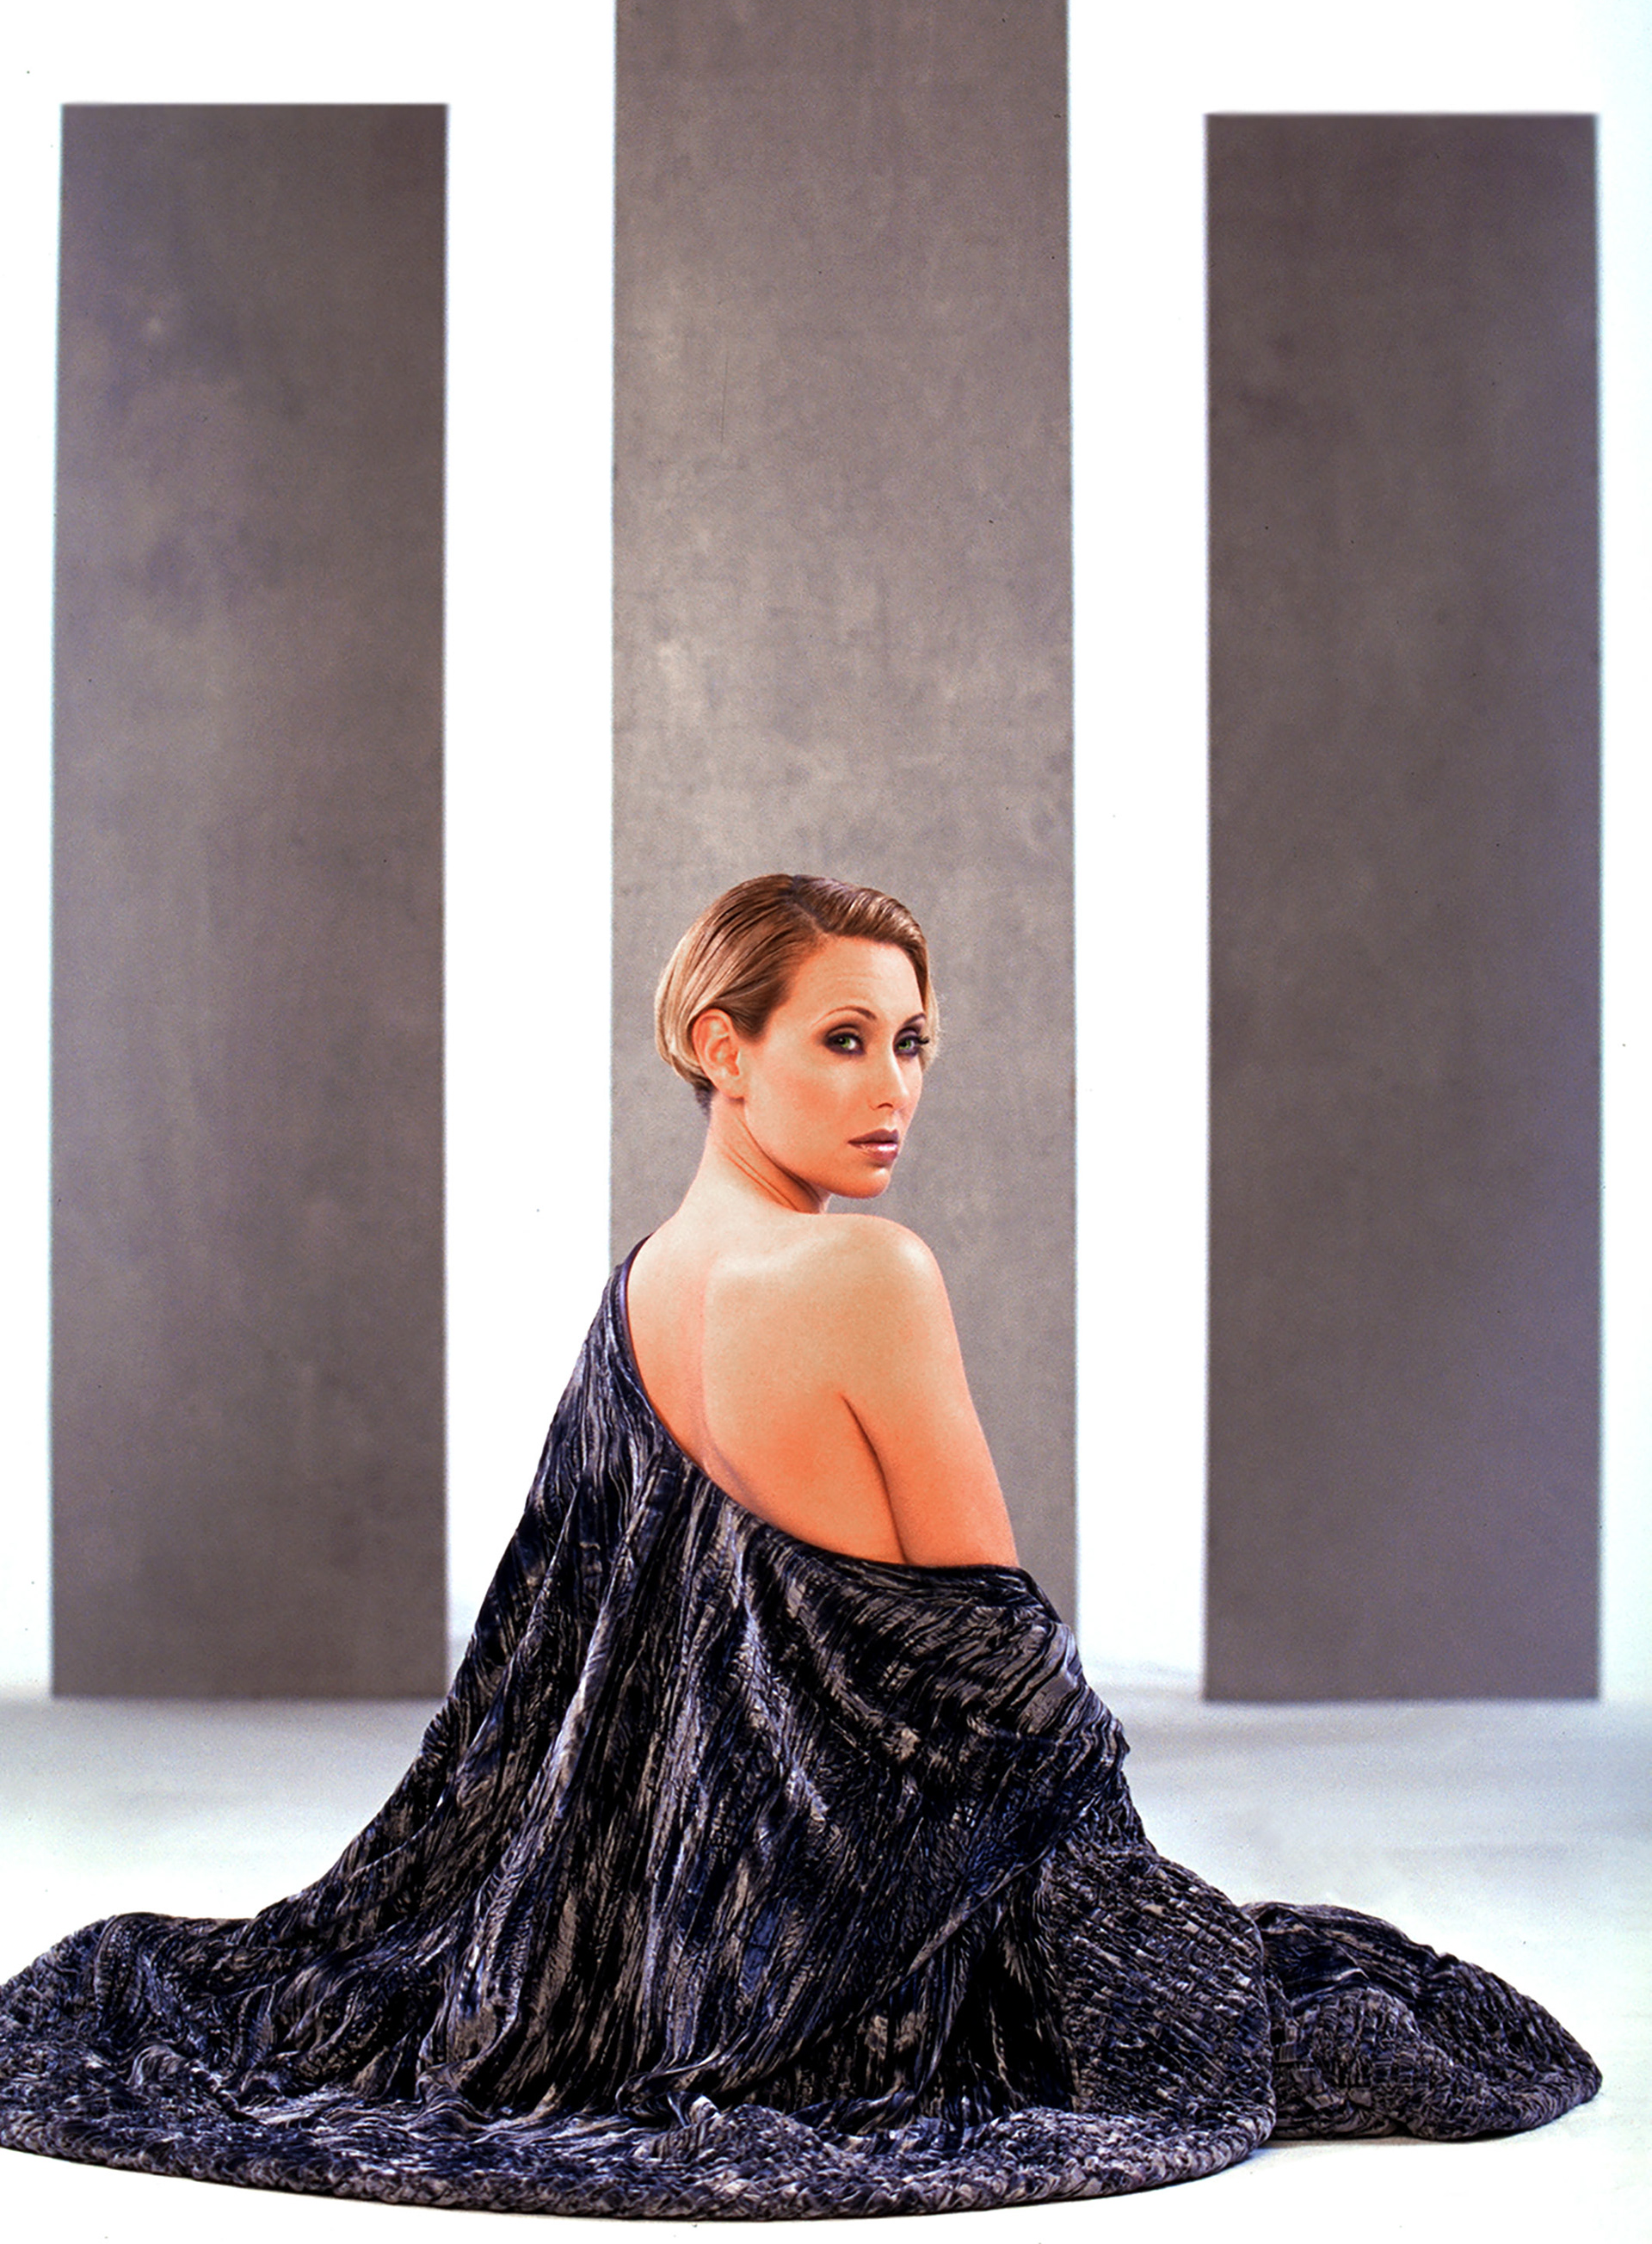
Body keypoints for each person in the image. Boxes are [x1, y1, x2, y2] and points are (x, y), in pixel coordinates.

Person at [0, 874, 1600, 2219]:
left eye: (912, 1042)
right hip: (847, 1932)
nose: (892, 1088)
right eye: (842, 1040)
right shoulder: (866, 1276)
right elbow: (1003, 1674)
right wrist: (1122, 1905)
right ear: (723, 1047)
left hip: (675, 1928)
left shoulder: (645, 1280)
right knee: (1318, 2009)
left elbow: (561, 1670)